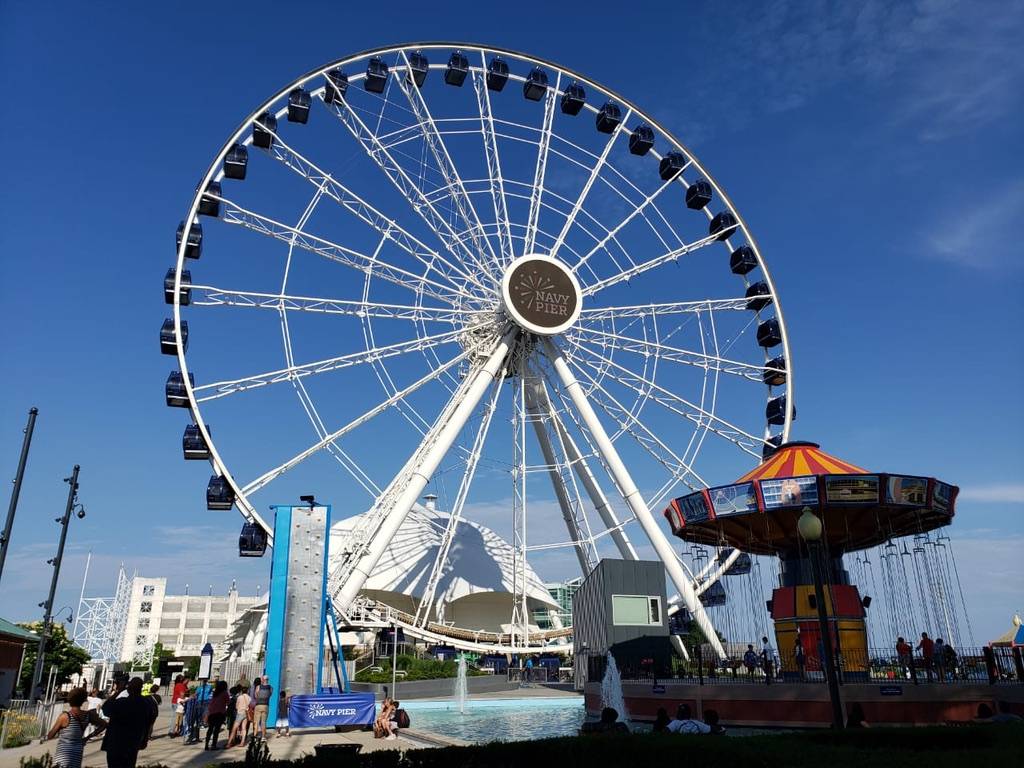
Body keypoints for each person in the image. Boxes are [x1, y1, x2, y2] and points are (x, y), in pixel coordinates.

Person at [101, 677, 157, 768]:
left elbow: (105, 709)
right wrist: (145, 739)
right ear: (141, 688)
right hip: (133, 743)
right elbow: (149, 722)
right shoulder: (146, 704)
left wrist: (118, 691)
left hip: (116, 742)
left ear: (129, 689)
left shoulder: (121, 702)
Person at [46, 687, 107, 768]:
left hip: (63, 754)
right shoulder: (88, 715)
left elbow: (50, 736)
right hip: (78, 751)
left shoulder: (65, 716)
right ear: (82, 701)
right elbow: (104, 724)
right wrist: (87, 737)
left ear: (70, 699)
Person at [204, 680, 230, 750]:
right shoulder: (225, 693)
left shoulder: (215, 693)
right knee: (216, 730)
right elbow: (228, 702)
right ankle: (213, 745)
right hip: (219, 713)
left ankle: (206, 744)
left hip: (212, 713)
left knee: (210, 729)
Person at [252, 676, 273, 741]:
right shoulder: (271, 688)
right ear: (268, 680)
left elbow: (255, 696)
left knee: (256, 721)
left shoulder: (258, 687)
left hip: (258, 705)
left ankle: (255, 736)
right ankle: (263, 737)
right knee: (263, 722)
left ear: (263, 680)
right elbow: (270, 695)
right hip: (266, 705)